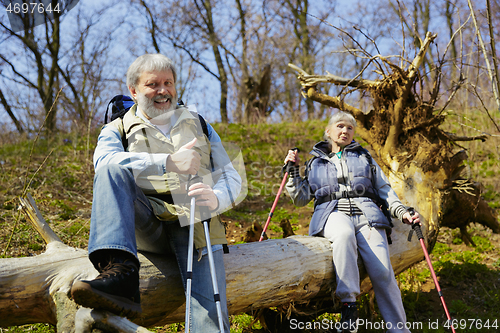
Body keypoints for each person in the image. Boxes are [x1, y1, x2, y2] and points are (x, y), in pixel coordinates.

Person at [71, 53, 241, 333]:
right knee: (112, 170)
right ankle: (120, 274)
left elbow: (231, 176)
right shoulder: (118, 127)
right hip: (146, 224)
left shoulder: (199, 123)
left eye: (168, 83)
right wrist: (167, 163)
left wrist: (217, 197)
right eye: (153, 84)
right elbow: (103, 163)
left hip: (196, 224)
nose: (163, 91)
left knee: (209, 320)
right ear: (134, 91)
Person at [284, 111, 420, 333]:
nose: (345, 131)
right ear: (328, 131)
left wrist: (401, 212)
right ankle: (349, 306)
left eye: (350, 128)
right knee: (344, 234)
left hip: (367, 214)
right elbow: (300, 198)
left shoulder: (364, 157)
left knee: (383, 271)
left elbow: (384, 190)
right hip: (332, 212)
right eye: (340, 126)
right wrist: (292, 173)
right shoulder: (314, 163)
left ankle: (399, 329)